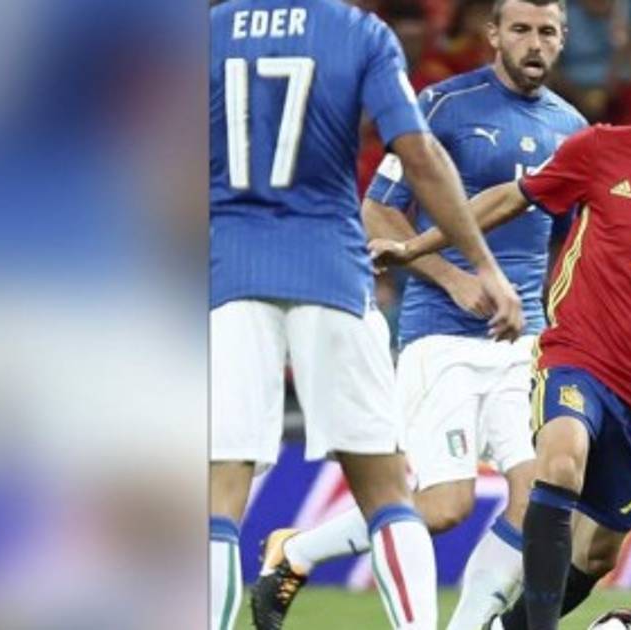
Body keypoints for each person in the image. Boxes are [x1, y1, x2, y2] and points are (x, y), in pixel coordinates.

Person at [373, 18, 631, 630]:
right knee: (560, 461)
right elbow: (508, 198)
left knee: (598, 553)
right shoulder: (600, 148)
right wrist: (415, 247)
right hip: (576, 354)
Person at [248, 1, 584, 629]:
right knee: (447, 505)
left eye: (547, 31)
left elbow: (575, 241)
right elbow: (377, 212)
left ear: (563, 39)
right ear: (493, 34)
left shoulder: (573, 128)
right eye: (520, 29)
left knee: (538, 500)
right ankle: (297, 550)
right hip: (440, 337)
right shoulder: (444, 106)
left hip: (526, 342)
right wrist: (455, 279)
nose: (534, 43)